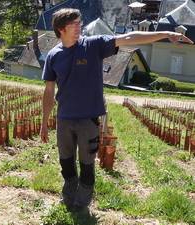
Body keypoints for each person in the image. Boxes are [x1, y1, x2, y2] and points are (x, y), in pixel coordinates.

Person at [40, 8, 193, 212]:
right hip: (64, 119)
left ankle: (83, 202)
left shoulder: (93, 45)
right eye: (74, 24)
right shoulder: (53, 55)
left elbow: (129, 37)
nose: (80, 27)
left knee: (87, 162)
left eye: (80, 23)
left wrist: (165, 34)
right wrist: (44, 122)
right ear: (61, 29)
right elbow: (49, 91)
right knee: (66, 162)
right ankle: (69, 193)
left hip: (88, 119)